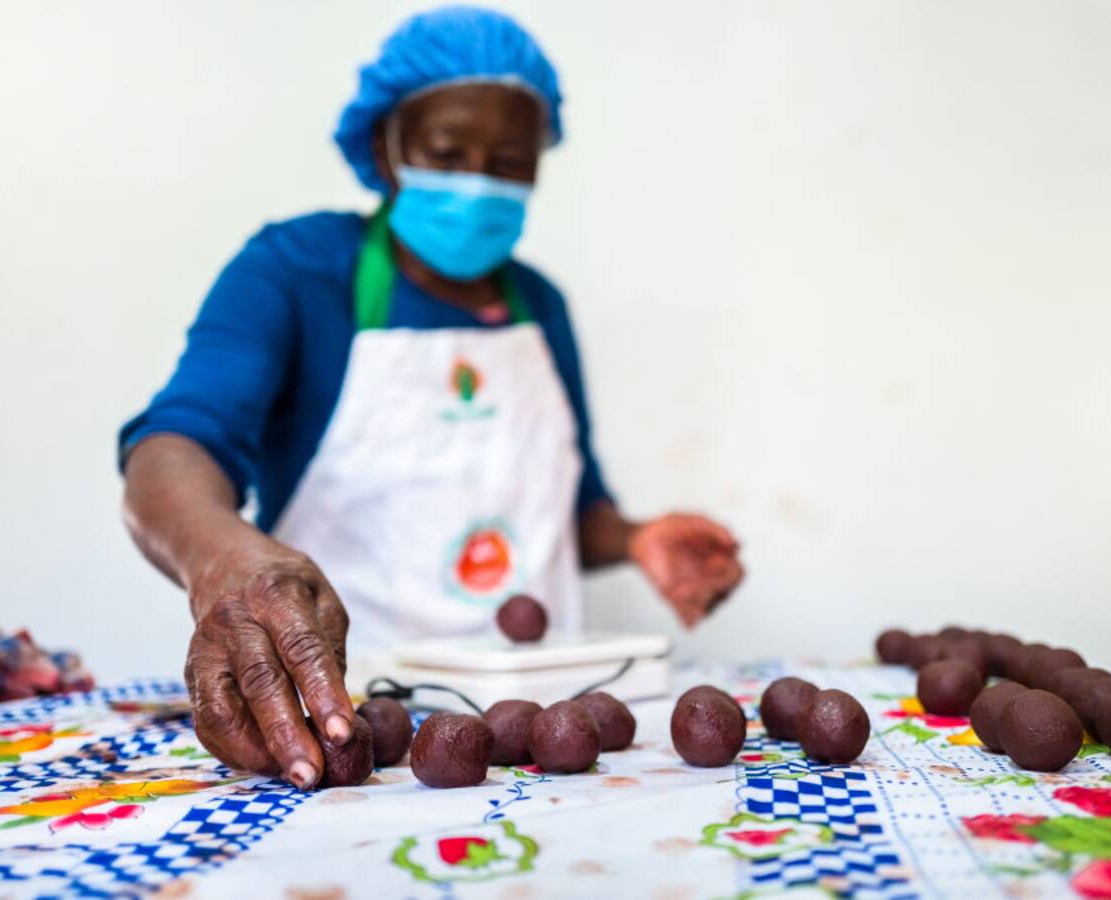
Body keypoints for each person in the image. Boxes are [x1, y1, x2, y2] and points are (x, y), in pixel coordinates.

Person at [119, 6, 744, 789]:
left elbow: (568, 518)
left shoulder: (539, 306)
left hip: (543, 736)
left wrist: (636, 538)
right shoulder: (297, 271)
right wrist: (222, 559)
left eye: (510, 160)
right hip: (349, 725)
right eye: (448, 152)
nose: (479, 180)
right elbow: (172, 450)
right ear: (386, 148)